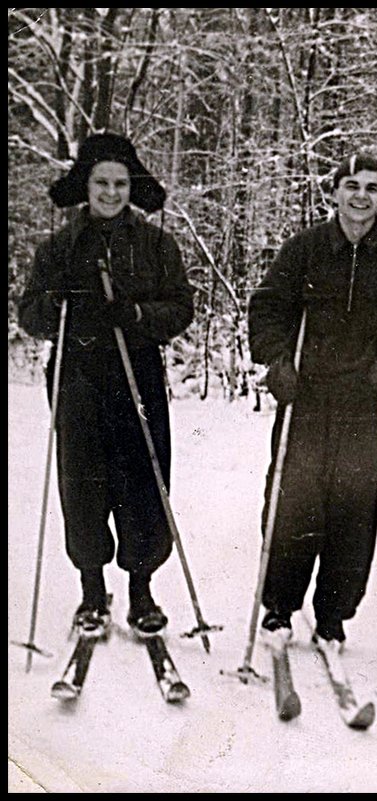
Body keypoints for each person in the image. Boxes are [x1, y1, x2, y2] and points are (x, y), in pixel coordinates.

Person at [247, 152, 377, 648]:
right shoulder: (304, 250)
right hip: (307, 394)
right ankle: (280, 608)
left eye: (372, 188)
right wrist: (277, 361)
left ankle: (334, 613)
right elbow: (267, 308)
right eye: (352, 185)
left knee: (355, 505)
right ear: (334, 192)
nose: (361, 196)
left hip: (365, 399)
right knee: (293, 500)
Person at [18, 133, 195, 635]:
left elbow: (181, 307)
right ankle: (92, 592)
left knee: (142, 482)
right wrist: (56, 309)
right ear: (86, 186)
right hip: (78, 378)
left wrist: (137, 313)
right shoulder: (59, 246)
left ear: (131, 188)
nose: (111, 193)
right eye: (101, 183)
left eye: (120, 183)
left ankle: (142, 591)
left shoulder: (157, 244)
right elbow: (28, 312)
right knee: (84, 484)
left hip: (135, 375)